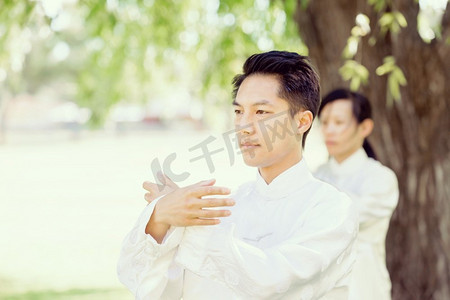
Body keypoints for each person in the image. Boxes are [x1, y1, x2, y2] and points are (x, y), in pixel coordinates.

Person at [117, 51, 359, 299]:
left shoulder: (332, 210)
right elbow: (163, 292)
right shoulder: (228, 207)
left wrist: (191, 223)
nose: (244, 126)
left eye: (261, 112)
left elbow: (273, 282)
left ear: (302, 121)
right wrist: (162, 218)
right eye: (238, 112)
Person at [314, 88, 399, 300]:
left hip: (364, 288)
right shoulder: (316, 175)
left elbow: (343, 220)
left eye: (339, 122)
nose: (329, 130)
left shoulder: (380, 178)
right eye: (324, 123)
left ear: (365, 127)